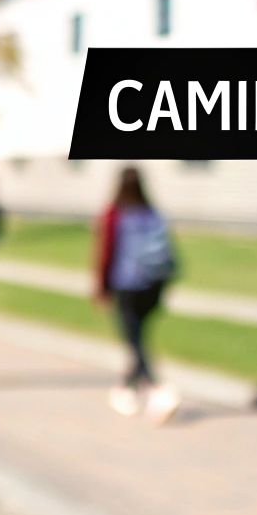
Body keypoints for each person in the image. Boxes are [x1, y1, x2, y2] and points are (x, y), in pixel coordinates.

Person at [92, 166, 180, 422]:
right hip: (152, 286)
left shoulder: (115, 214)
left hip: (126, 284)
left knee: (135, 341)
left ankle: (158, 389)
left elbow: (106, 253)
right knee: (137, 338)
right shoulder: (152, 214)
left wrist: (101, 287)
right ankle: (125, 390)